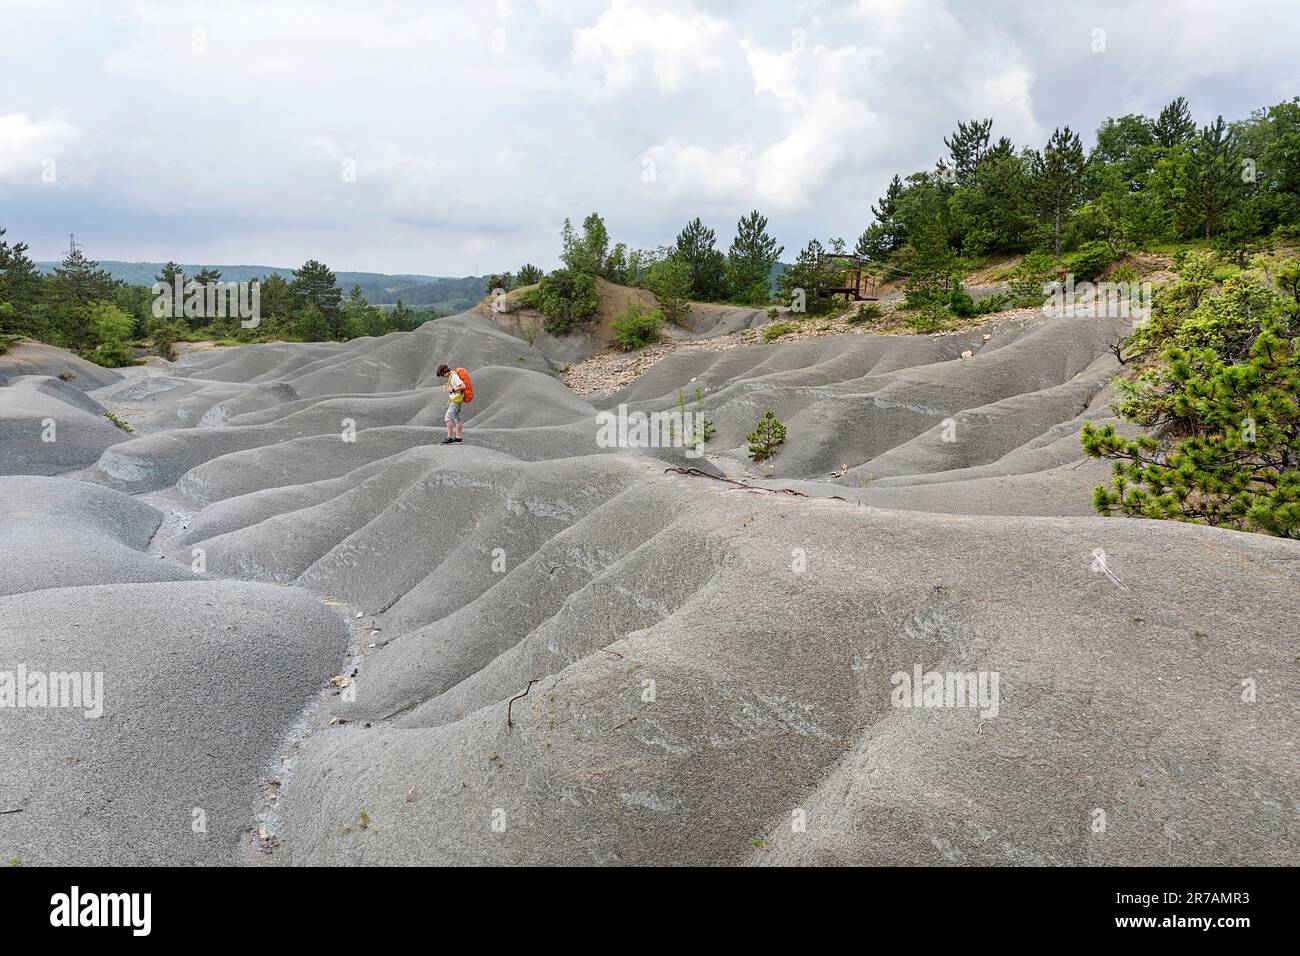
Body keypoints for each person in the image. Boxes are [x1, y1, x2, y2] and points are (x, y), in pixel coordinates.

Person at [437, 363, 465, 444]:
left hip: (455, 400)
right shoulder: (452, 375)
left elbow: (463, 386)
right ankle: (458, 438)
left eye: (442, 375)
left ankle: (449, 438)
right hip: (458, 399)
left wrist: (452, 389)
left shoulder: (454, 376)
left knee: (448, 417)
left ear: (445, 372)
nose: (443, 377)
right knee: (457, 419)